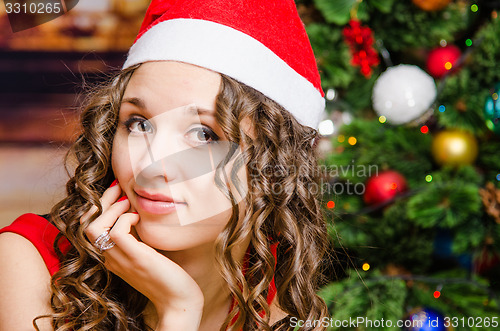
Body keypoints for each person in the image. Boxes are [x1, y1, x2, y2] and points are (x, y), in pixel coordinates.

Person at [0, 0, 330, 330]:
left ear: (273, 163)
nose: (152, 165)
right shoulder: (28, 264)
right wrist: (179, 309)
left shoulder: (275, 297)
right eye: (139, 124)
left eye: (204, 134)